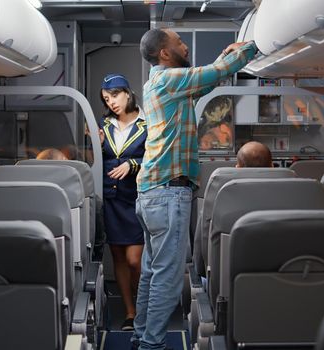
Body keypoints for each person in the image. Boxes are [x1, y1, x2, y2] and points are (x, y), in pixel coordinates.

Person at [132, 28, 258, 350]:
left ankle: (141, 335)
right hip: (167, 191)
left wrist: (225, 58)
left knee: (152, 271)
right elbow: (214, 73)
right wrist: (258, 45)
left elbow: (209, 79)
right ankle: (152, 345)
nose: (185, 46)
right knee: (167, 277)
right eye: (178, 42)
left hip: (154, 192)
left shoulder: (167, 83)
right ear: (164, 53)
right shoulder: (166, 80)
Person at [99, 73, 146, 331]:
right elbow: (97, 159)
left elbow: (153, 158)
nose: (112, 103)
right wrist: (94, 143)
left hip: (136, 199)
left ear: (128, 93)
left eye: (115, 95)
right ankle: (130, 312)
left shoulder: (147, 124)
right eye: (107, 99)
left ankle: (143, 304)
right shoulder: (103, 126)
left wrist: (132, 164)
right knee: (118, 257)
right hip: (112, 200)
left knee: (134, 261)